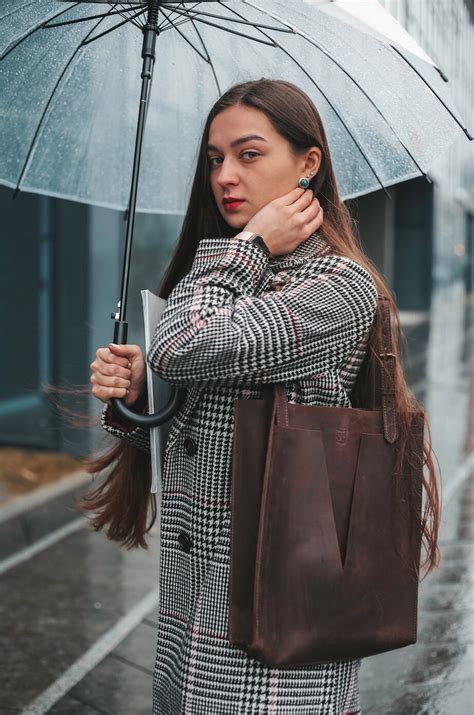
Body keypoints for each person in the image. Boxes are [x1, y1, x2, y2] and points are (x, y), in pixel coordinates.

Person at [84, 79, 440, 714]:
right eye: (215, 158)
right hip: (196, 622)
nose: (226, 175)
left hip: (274, 641)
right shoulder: (238, 274)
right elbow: (200, 434)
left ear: (309, 164)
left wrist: (246, 249)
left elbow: (183, 343)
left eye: (250, 154)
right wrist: (141, 397)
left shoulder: (336, 287)